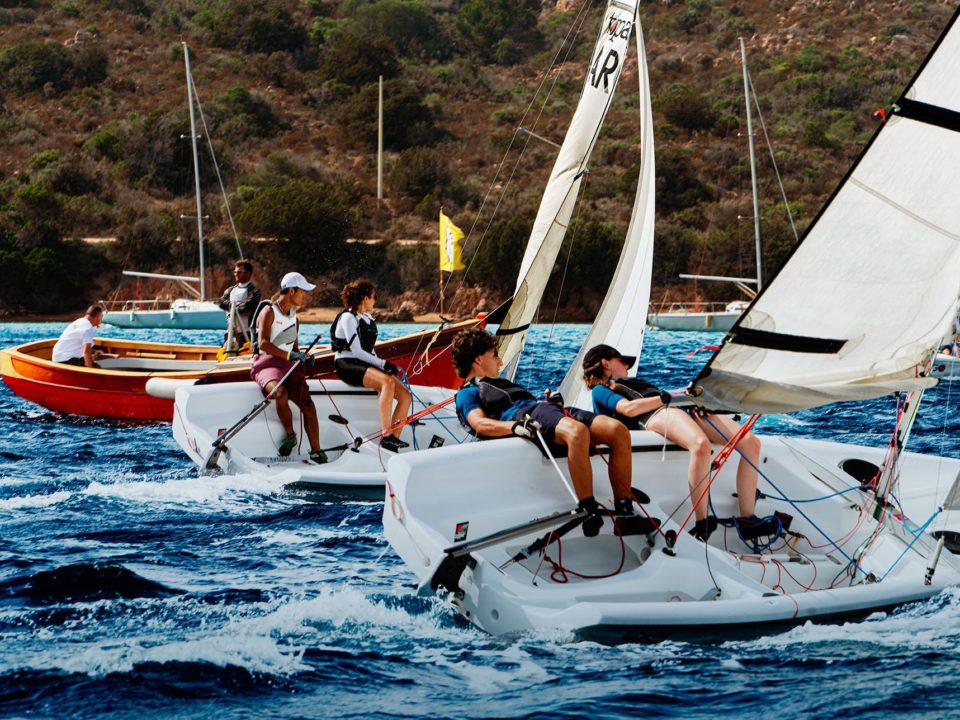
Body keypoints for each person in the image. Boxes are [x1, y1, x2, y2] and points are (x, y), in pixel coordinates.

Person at [450, 328, 660, 537]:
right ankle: (588, 509)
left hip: (548, 410)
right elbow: (479, 423)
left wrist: (552, 404)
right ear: (478, 360)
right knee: (577, 433)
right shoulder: (468, 393)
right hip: (528, 415)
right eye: (494, 355)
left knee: (617, 431)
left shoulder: (498, 384)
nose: (500, 361)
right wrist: (515, 427)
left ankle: (625, 515)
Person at [582, 343, 776, 542]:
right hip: (657, 414)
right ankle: (702, 521)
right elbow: (629, 409)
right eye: (622, 361)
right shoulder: (600, 390)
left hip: (682, 408)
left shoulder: (633, 382)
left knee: (750, 442)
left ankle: (748, 520)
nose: (627, 366)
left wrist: (692, 401)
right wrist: (666, 398)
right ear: (605, 363)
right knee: (700, 445)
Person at [250, 271, 326, 464]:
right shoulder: (268, 312)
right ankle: (291, 435)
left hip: (286, 365)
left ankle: (317, 452)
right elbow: (264, 344)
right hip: (266, 364)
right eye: (302, 292)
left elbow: (294, 348)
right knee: (280, 393)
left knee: (308, 406)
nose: (304, 296)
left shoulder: (295, 319)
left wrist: (304, 357)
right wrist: (291, 355)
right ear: (291, 291)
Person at [332, 279, 411, 453]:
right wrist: (384, 364)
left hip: (362, 364)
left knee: (405, 396)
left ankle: (393, 442)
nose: (375, 300)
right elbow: (357, 351)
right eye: (374, 296)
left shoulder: (367, 319)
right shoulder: (348, 318)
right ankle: (386, 435)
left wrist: (387, 367)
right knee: (387, 383)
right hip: (346, 364)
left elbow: (370, 351)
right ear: (365, 298)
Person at [217, 260, 261, 336]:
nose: (236, 274)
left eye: (239, 272)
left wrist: (231, 307)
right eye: (235, 272)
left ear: (248, 273)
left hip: (247, 333)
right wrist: (235, 306)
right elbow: (220, 303)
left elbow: (246, 307)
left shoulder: (254, 291)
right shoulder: (230, 290)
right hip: (230, 332)